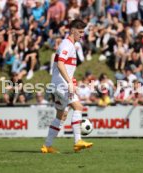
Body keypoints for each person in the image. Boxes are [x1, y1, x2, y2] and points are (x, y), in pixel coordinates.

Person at [41, 19, 93, 154]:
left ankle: (47, 146)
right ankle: (78, 142)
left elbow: (65, 67)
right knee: (78, 107)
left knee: (61, 116)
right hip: (61, 84)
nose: (82, 35)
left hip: (58, 83)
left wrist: (72, 80)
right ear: (72, 30)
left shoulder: (70, 45)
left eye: (83, 32)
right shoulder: (67, 45)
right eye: (80, 32)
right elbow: (60, 64)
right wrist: (69, 82)